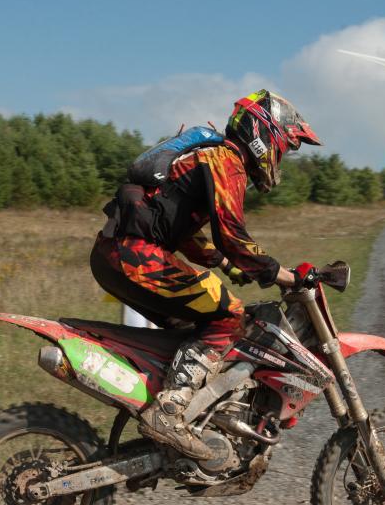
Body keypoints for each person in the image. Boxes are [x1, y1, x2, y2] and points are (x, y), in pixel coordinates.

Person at [90, 90, 322, 459]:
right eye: (284, 149)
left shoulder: (208, 156)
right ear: (265, 136)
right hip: (133, 257)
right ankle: (168, 414)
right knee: (229, 314)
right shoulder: (227, 161)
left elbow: (180, 230)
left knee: (192, 330)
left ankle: (175, 423)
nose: (281, 159)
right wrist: (285, 277)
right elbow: (233, 236)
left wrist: (226, 265)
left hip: (115, 254)